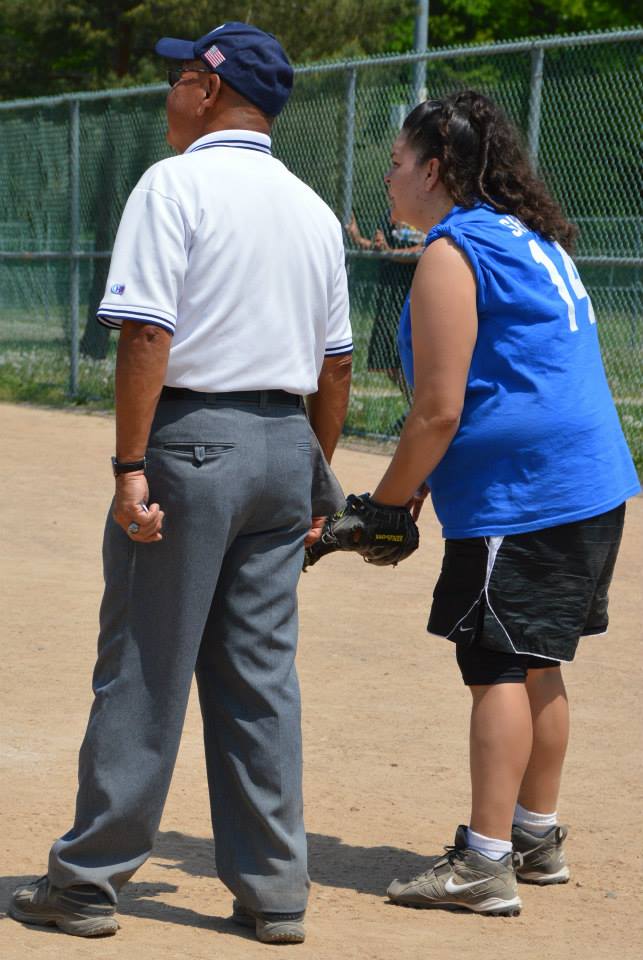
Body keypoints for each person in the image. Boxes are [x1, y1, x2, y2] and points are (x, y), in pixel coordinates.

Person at [10, 22, 352, 945]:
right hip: (287, 447)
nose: (168, 94)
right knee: (259, 678)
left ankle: (87, 881)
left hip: (194, 440)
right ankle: (275, 891)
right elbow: (335, 368)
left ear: (209, 87)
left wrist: (130, 466)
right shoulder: (313, 208)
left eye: (177, 78)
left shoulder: (176, 183)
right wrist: (315, 479)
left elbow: (146, 334)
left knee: (146, 665)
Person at [362, 91, 640, 916]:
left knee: (495, 668)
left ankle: (484, 863)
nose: (389, 177)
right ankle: (533, 836)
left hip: (524, 494)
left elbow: (438, 407)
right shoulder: (527, 236)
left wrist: (385, 502)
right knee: (537, 659)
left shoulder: (454, 251)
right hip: (588, 483)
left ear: (435, 171)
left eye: (397, 162)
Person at [345, 211, 423, 409]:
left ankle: (419, 405)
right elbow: (379, 249)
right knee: (388, 361)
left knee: (409, 356)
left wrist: (389, 251)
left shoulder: (422, 213)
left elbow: (424, 248)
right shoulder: (388, 214)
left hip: (409, 293)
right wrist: (357, 237)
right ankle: (414, 404)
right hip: (388, 292)